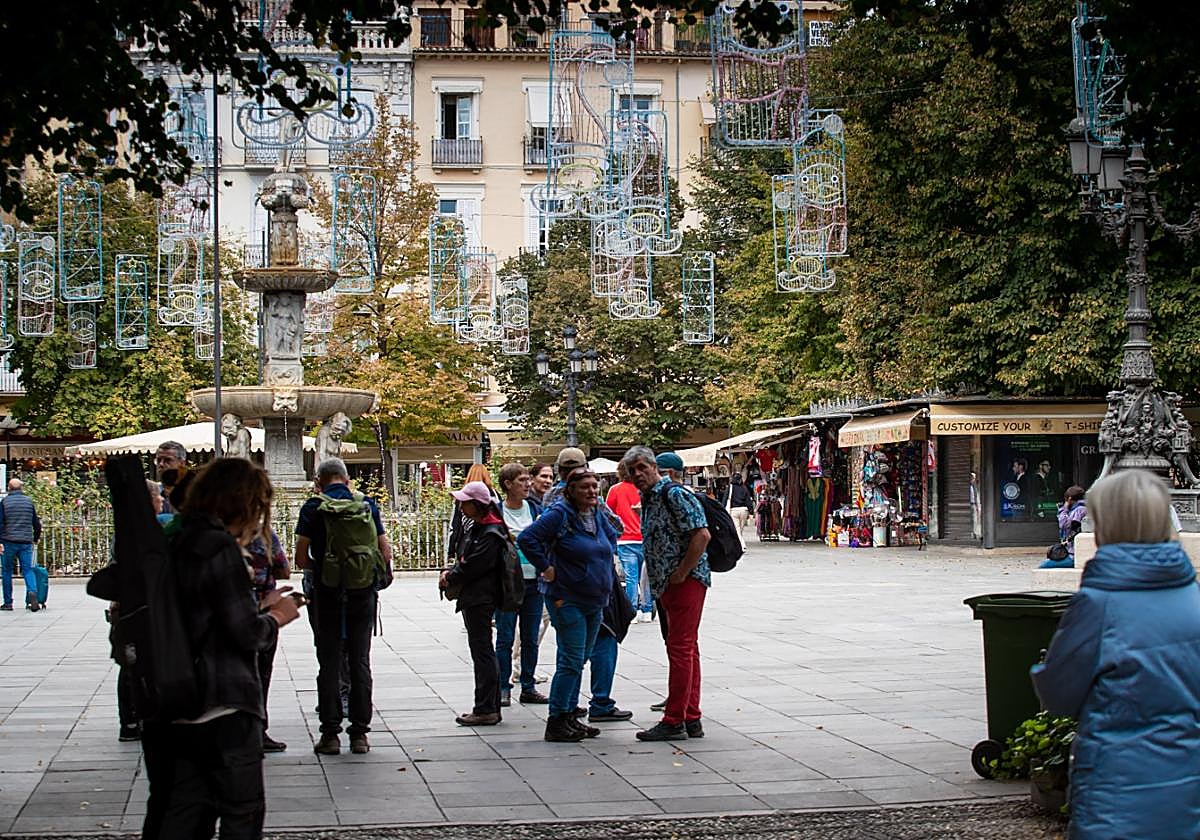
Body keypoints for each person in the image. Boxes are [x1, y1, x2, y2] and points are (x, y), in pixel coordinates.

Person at [1031, 469, 1200, 839]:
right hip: (1189, 783)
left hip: (1117, 787)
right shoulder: (1194, 598)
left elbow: (1058, 694)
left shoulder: (1098, 603)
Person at [140, 457, 301, 840]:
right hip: (223, 702)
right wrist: (277, 615)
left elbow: (201, 613)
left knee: (185, 813)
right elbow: (244, 635)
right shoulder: (218, 547)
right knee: (240, 812)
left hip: (174, 701)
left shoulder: (174, 539)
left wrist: (254, 607)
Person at [294, 457, 394, 756]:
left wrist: (323, 572)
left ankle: (330, 735)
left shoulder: (313, 507)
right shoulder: (367, 505)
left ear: (319, 481)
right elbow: (384, 549)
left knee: (329, 662)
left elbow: (300, 559)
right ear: (347, 479)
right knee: (360, 661)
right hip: (362, 594)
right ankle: (360, 735)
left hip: (327, 595)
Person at [519, 469, 619, 742]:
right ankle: (557, 719)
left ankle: (569, 715)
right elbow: (527, 539)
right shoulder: (559, 514)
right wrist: (546, 567)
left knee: (579, 659)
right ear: (570, 490)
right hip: (567, 597)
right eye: (585, 487)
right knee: (571, 659)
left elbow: (612, 535)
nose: (592, 492)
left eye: (595, 487)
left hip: (594, 598)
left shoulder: (596, 513)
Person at [624, 448, 711, 741]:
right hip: (669, 583)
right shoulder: (649, 498)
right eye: (632, 471)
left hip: (683, 582)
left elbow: (702, 534)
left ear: (653, 466)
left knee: (680, 647)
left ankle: (674, 719)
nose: (637, 475)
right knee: (687, 648)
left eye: (640, 468)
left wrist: (682, 571)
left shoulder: (673, 494)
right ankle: (690, 716)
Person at [440, 481, 508, 727]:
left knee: (482, 651)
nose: (460, 504)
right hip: (478, 597)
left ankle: (486, 707)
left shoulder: (489, 533)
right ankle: (488, 705)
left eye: (465, 501)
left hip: (480, 598)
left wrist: (451, 575)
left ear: (477, 504)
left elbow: (473, 566)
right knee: (482, 651)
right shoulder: (484, 528)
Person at [493, 463, 548, 708]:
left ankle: (528, 685)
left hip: (534, 581)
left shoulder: (535, 508)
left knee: (530, 637)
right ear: (508, 484)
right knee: (505, 637)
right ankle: (503, 686)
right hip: (507, 583)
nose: (527, 484)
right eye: (522, 480)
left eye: (528, 479)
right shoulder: (496, 511)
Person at [245, 526, 291, 752]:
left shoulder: (214, 536)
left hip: (229, 611)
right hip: (263, 608)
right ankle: (258, 730)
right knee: (262, 671)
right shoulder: (263, 535)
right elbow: (284, 569)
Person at [606, 460, 651, 623]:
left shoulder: (615, 490)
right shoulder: (644, 489)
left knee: (631, 577)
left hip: (625, 539)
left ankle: (632, 610)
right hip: (645, 538)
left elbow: (608, 515)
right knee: (645, 577)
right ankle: (647, 609)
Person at [0, 478, 43, 612]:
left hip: (8, 541)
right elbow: (36, 523)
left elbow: (0, 523)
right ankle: (32, 594)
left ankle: (8, 603)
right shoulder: (28, 502)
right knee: (28, 570)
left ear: (9, 488)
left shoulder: (4, 502)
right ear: (21, 488)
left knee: (7, 571)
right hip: (25, 542)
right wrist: (35, 538)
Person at [447, 463, 498, 562]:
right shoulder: (495, 495)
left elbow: (455, 526)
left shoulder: (462, 496)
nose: (462, 507)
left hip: (465, 544)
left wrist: (451, 551)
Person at [1040, 485, 1087, 569]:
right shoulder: (1081, 508)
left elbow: (1064, 524)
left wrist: (1063, 509)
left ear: (1069, 498)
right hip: (1072, 552)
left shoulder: (1079, 510)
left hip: (1073, 555)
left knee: (1044, 565)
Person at [154, 440, 188, 514]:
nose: (161, 464)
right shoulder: (152, 492)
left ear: (182, 463)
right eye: (158, 460)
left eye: (168, 460)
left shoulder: (192, 493)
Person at [726, 474, 755, 548]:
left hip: (734, 510)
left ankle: (741, 545)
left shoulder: (730, 488)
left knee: (737, 529)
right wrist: (751, 511)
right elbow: (748, 500)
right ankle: (741, 544)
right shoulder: (744, 488)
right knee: (740, 529)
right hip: (744, 510)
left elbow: (725, 499)